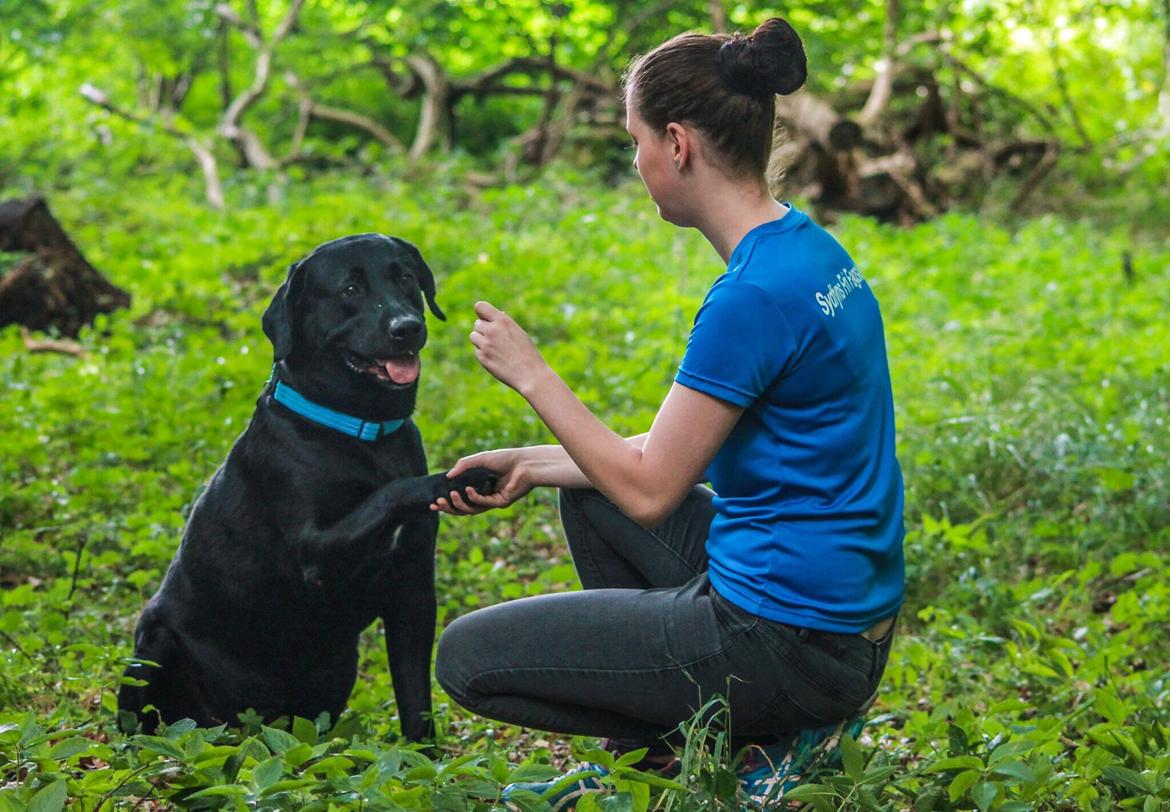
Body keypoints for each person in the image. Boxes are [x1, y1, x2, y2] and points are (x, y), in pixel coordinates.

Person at [430, 16, 904, 806]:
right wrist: (531, 464)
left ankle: (750, 746)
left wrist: (533, 375)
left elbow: (650, 490)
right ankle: (654, 763)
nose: (637, 160)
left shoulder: (749, 300)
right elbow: (675, 453)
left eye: (636, 141)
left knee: (466, 659)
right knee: (588, 487)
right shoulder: (809, 251)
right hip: (843, 626)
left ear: (677, 144)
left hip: (786, 641)